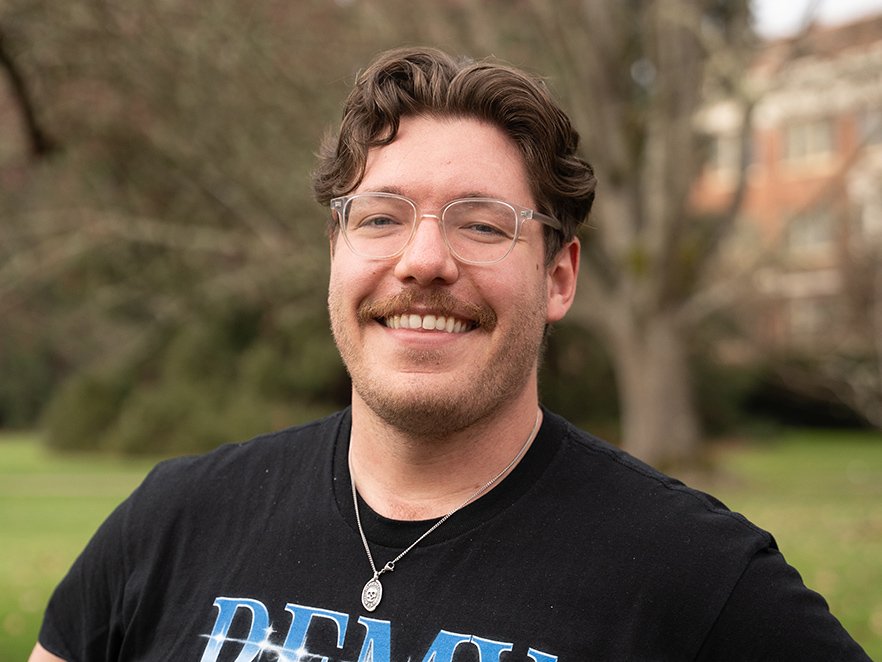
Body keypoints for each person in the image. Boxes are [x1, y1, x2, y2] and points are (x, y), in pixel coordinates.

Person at [30, 46, 869, 662]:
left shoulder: (696, 578)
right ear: (337, 254)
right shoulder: (174, 520)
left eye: (480, 223)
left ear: (559, 277)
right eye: (382, 216)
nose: (424, 260)